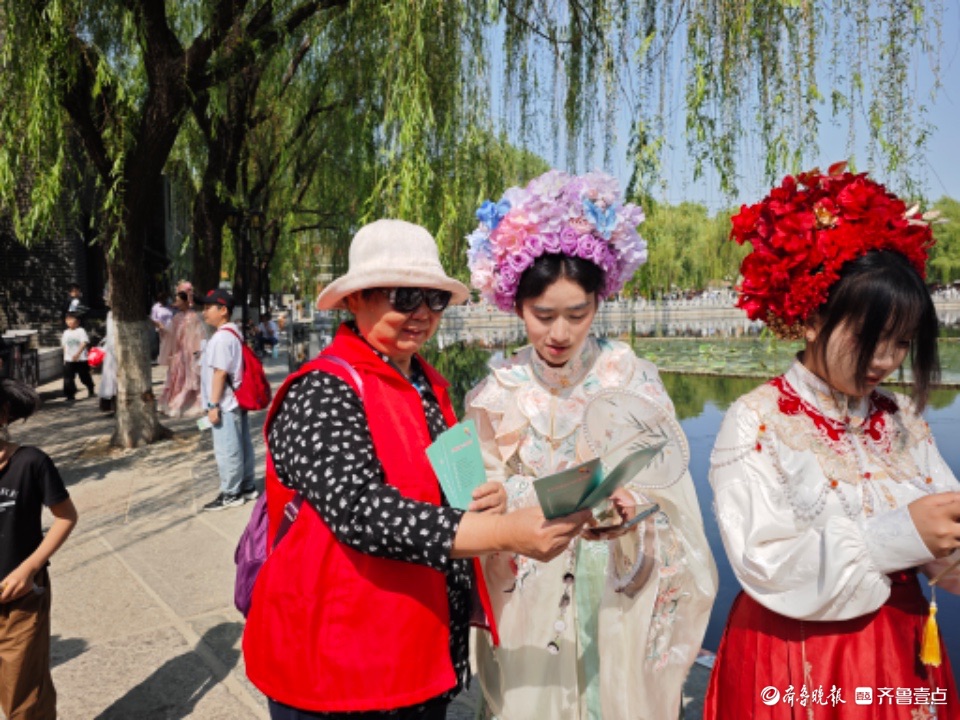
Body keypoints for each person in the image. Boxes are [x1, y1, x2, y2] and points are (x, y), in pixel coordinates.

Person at [242, 219, 593, 719]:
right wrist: (504, 533)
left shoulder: (427, 385)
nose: (422, 313)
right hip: (339, 661)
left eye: (435, 299)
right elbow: (363, 512)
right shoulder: (321, 391)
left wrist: (487, 498)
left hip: (420, 647)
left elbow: (448, 487)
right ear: (354, 299)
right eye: (404, 297)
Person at [704, 164, 960, 719]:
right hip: (798, 653)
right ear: (812, 319)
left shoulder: (900, 418)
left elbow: (943, 539)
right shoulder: (758, 421)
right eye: (870, 338)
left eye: (902, 343)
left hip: (898, 649)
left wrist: (946, 545)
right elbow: (763, 561)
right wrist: (901, 534)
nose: (886, 361)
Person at [463, 170, 718, 720]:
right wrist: (500, 498)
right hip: (529, 577)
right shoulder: (497, 392)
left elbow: (669, 485)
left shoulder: (629, 377)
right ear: (516, 305)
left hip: (614, 582)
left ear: (598, 304)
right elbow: (479, 493)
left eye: (577, 315)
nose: (560, 333)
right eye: (543, 315)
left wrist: (636, 505)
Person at [0, 378, 79, 719]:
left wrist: (28, 568)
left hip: (20, 598)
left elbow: (66, 517)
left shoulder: (31, 462)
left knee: (24, 695)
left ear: (3, 414)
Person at [195, 289, 258, 511]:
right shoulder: (233, 333)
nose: (204, 312)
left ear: (223, 310)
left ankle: (231, 493)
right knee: (241, 444)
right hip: (234, 400)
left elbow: (220, 373)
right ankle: (247, 486)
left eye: (208, 308)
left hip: (224, 403)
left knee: (227, 448)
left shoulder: (222, 338)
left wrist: (213, 405)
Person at [158, 281, 205, 418]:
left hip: (189, 353)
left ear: (186, 301)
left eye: (178, 300)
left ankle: (185, 404)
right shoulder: (177, 317)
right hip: (179, 352)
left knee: (188, 378)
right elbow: (171, 333)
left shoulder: (193, 317)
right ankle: (173, 403)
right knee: (176, 377)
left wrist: (195, 354)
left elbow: (198, 336)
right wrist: (163, 329)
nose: (176, 302)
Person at [61, 311, 95, 401]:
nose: (70, 322)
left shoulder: (81, 331)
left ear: (78, 321)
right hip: (69, 359)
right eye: (68, 320)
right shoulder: (65, 332)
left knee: (84, 376)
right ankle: (70, 395)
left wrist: (78, 354)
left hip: (81, 359)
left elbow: (84, 343)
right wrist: (64, 358)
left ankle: (90, 388)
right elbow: (64, 346)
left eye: (72, 319)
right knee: (68, 378)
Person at [151, 290, 174, 365]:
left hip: (171, 328)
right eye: (161, 299)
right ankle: (163, 360)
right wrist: (159, 325)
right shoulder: (156, 307)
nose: (163, 300)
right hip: (161, 329)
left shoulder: (169, 306)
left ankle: (169, 359)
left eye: (164, 298)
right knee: (163, 345)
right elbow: (153, 319)